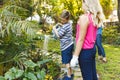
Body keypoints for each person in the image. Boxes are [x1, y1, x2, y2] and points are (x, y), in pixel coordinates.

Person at [70, 0, 105, 80]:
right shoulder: (94, 18)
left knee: (87, 77)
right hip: (92, 49)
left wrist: (75, 56)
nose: (82, 5)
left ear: (87, 3)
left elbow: (81, 39)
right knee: (93, 76)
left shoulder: (84, 18)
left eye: (83, 2)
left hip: (85, 52)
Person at [53, 10, 74, 80]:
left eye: (63, 20)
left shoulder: (65, 26)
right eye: (61, 20)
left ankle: (68, 76)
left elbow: (58, 35)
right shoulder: (69, 24)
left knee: (66, 62)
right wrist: (60, 25)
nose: (62, 21)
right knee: (69, 60)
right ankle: (71, 73)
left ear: (67, 19)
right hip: (70, 45)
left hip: (66, 47)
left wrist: (54, 28)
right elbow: (64, 28)